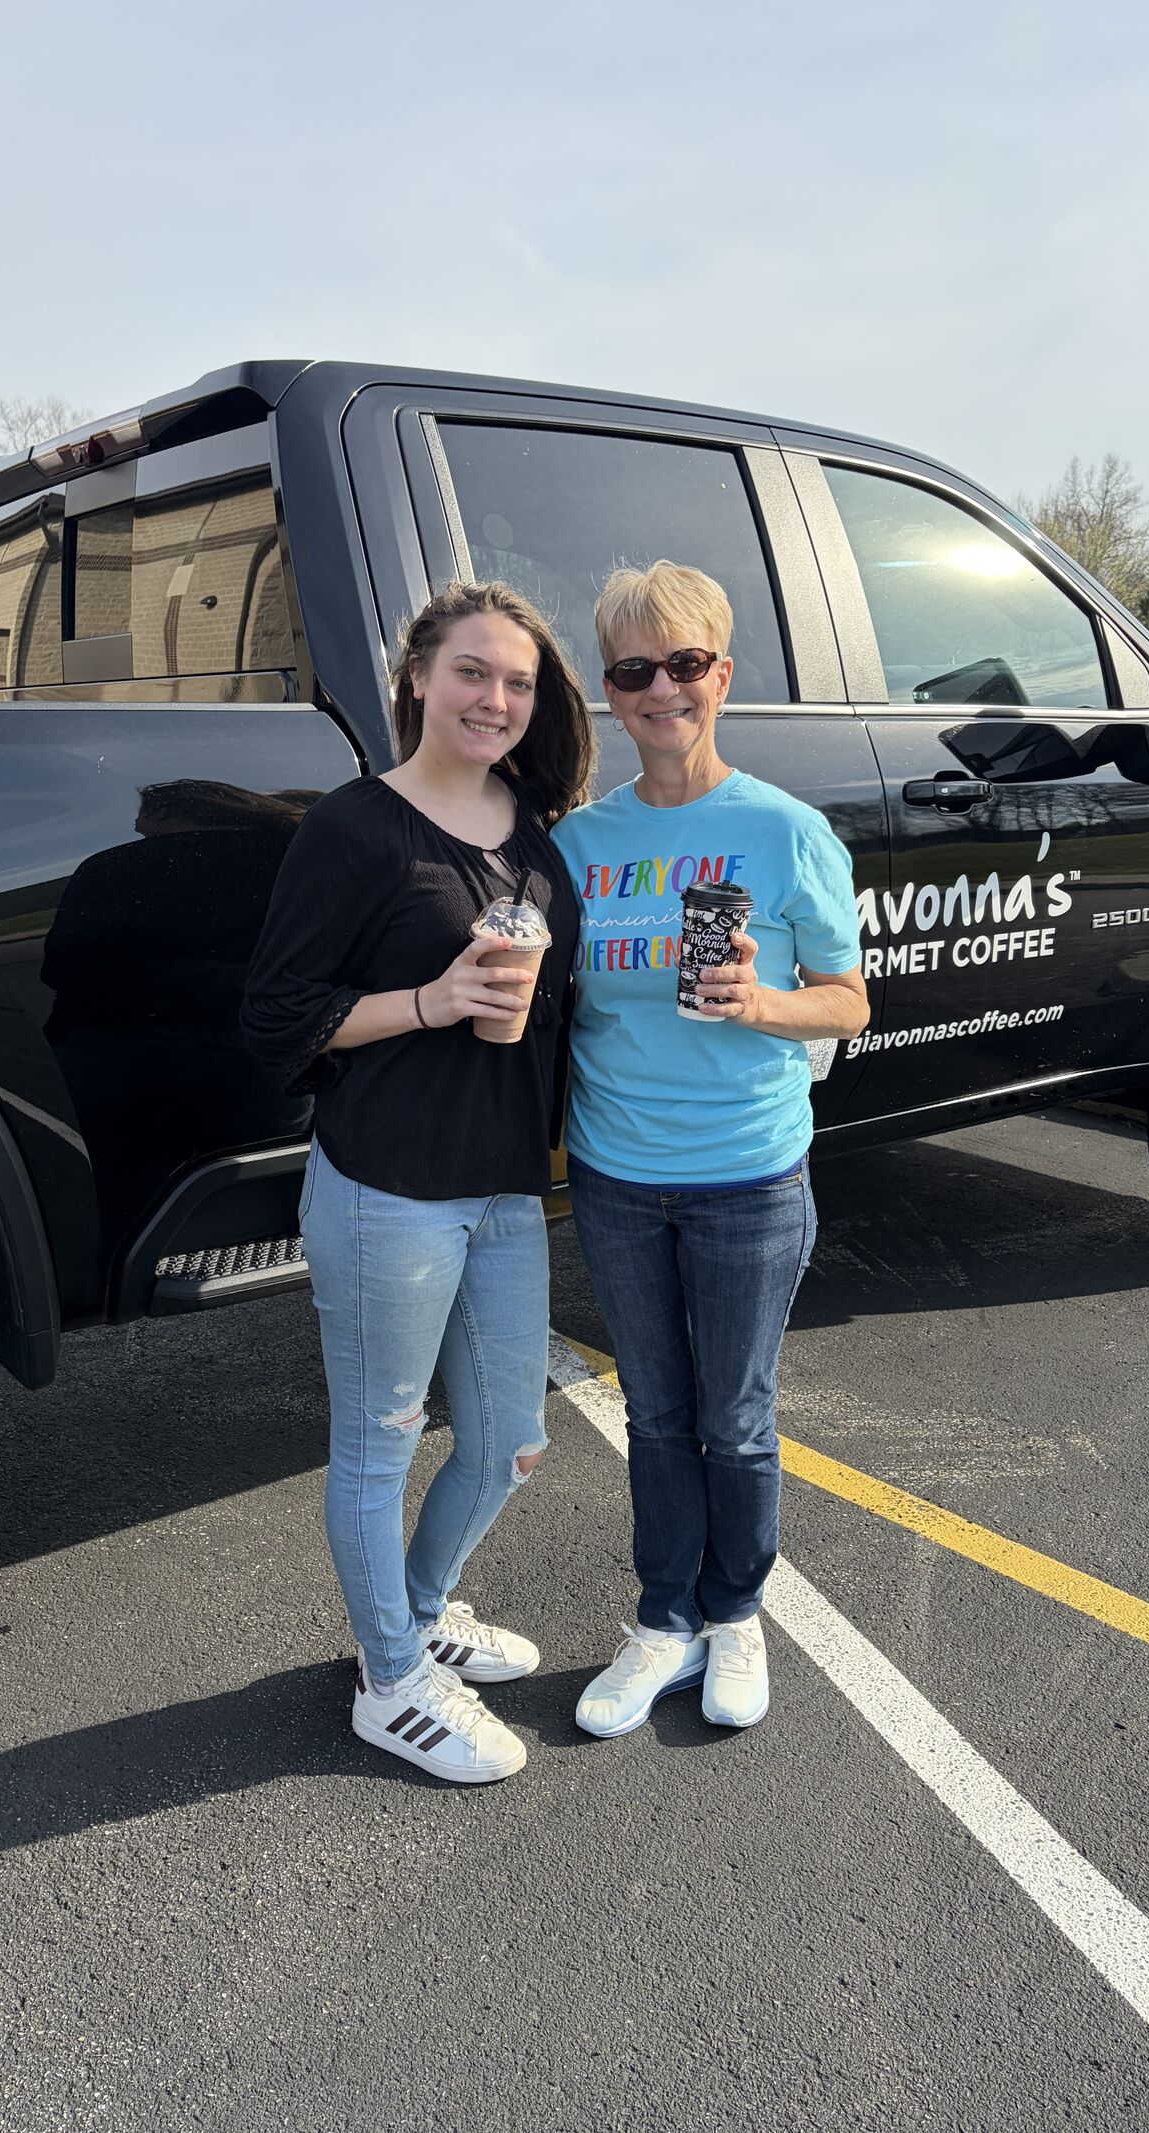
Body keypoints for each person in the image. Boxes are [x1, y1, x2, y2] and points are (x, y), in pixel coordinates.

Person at [242, 582, 593, 1784]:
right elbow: (274, 1022)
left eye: (519, 681)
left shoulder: (533, 824)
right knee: (380, 1440)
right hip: (384, 1187)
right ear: (418, 679)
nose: (496, 698)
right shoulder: (355, 827)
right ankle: (390, 1683)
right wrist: (434, 1001)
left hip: (503, 1185)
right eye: (472, 673)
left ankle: (420, 1609)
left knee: (505, 1443)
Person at [551, 561, 869, 1739]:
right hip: (620, 1178)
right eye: (635, 670)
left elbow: (849, 1001)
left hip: (747, 1177)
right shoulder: (581, 844)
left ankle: (735, 1612)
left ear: (721, 676)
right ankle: (662, 1620)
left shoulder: (786, 832)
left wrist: (764, 1003)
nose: (661, 689)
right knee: (652, 1414)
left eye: (683, 664)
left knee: (733, 1418)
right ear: (610, 693)